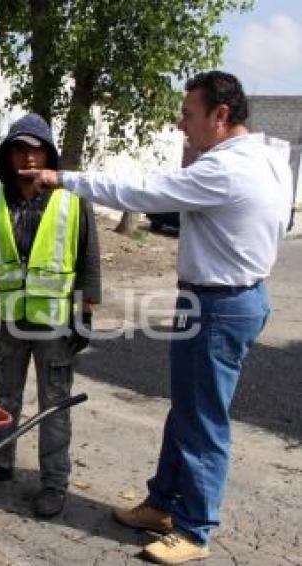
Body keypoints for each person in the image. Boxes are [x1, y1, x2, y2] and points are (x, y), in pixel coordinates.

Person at [19, 71, 292, 564]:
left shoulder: (226, 171)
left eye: (189, 114)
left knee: (203, 419)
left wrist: (65, 179)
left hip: (217, 306)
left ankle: (195, 529)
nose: (181, 123)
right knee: (187, 410)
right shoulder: (270, 158)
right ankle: (162, 503)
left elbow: (143, 191)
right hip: (237, 297)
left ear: (221, 115)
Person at [0, 113, 101, 519]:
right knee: (5, 396)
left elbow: (88, 258)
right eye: (20, 149)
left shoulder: (71, 198)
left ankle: (54, 483)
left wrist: (85, 314)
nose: (28, 157)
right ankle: (0, 463)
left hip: (55, 322)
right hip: (9, 321)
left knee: (54, 404)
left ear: (48, 155)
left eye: (36, 150)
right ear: (7, 155)